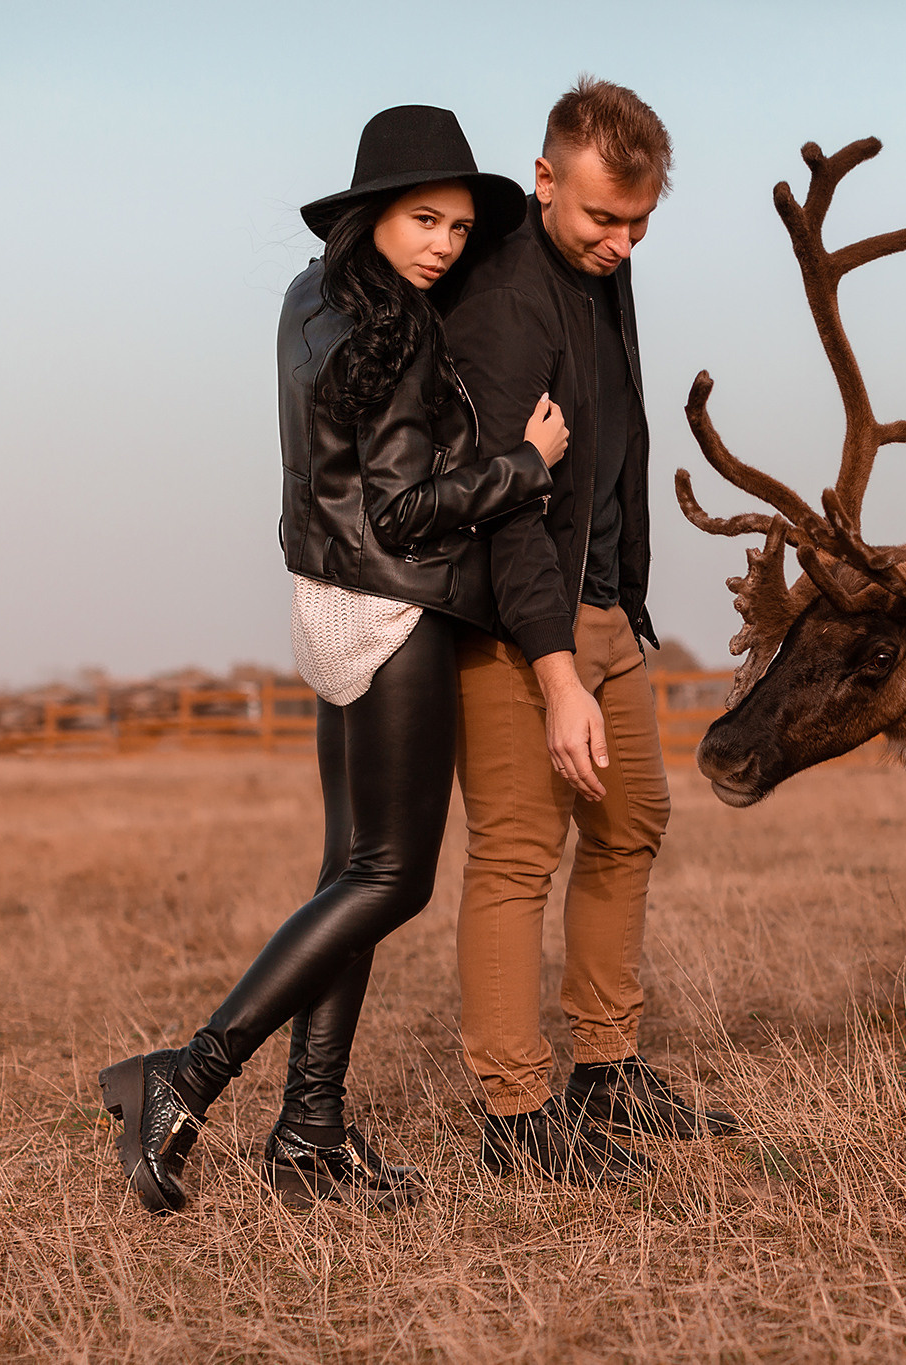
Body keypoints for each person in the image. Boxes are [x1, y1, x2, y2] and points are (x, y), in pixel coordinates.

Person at [99, 105, 565, 1215]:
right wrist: (524, 462)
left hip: (324, 602)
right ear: (375, 214)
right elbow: (403, 508)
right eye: (425, 220)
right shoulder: (400, 328)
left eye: (459, 228)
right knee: (392, 878)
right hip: (394, 611)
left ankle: (310, 1134)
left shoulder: (311, 297)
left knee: (346, 876)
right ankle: (187, 1077)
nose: (444, 245)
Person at [443, 77, 735, 1184]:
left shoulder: (603, 272)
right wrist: (557, 674)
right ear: (543, 178)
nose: (622, 243)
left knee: (630, 823)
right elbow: (506, 506)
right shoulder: (503, 300)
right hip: (524, 625)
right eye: (603, 218)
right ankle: (516, 1116)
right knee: (519, 852)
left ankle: (605, 1069)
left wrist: (620, 606)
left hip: (608, 605)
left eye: (640, 223)